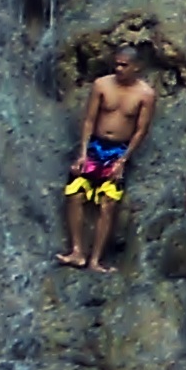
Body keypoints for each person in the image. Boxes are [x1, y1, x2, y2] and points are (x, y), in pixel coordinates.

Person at [57, 41, 159, 273]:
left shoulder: (146, 94)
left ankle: (96, 259)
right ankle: (77, 251)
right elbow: (89, 120)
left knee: (108, 204)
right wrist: (82, 153)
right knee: (74, 193)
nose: (119, 69)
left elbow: (141, 130)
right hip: (95, 146)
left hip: (118, 150)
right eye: (117, 65)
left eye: (124, 65)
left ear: (136, 67)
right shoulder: (101, 85)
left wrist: (124, 160)